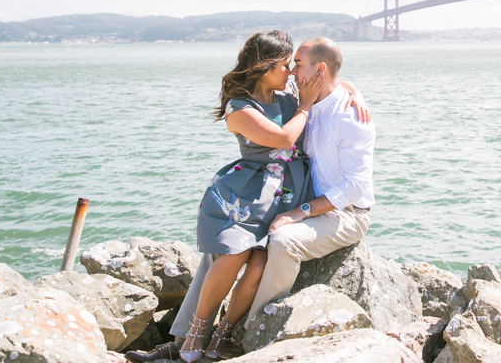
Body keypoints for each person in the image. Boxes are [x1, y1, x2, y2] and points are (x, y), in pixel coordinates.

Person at [125, 31, 369, 363]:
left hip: (286, 195)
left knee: (253, 261)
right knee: (225, 256)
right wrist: (307, 106)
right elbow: (285, 138)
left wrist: (352, 91)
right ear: (264, 67)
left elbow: (329, 79)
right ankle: (189, 339)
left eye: (293, 65)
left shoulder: (290, 96)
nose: (292, 72)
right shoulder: (242, 108)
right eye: (286, 65)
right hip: (250, 194)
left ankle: (219, 337)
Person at [240, 36, 375, 330]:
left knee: (284, 242)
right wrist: (353, 87)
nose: (291, 73)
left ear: (320, 69)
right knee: (234, 231)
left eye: (297, 65)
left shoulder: (351, 114)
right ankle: (192, 328)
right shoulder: (307, 100)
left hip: (347, 213)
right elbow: (340, 82)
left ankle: (253, 330)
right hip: (310, 203)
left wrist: (301, 211)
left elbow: (355, 185)